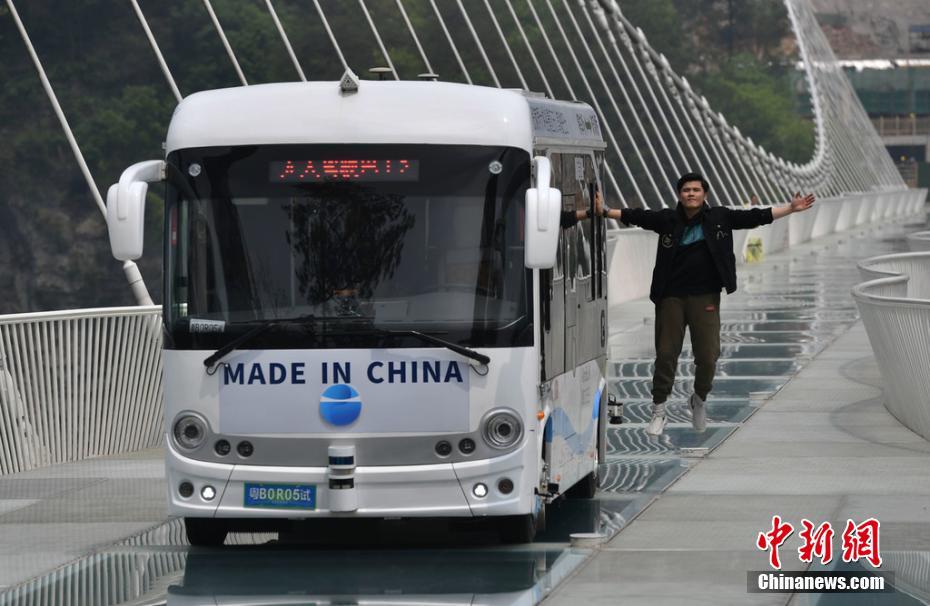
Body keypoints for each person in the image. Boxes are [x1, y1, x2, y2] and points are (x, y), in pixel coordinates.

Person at [595, 173, 814, 437]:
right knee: (666, 354)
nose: (691, 194)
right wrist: (605, 211)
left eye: (696, 190)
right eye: (686, 190)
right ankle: (659, 410)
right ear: (679, 194)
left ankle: (698, 399)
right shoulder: (668, 220)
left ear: (705, 195)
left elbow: (755, 217)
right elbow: (638, 216)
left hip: (706, 296)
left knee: (708, 356)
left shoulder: (719, 218)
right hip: (671, 297)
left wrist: (790, 209)